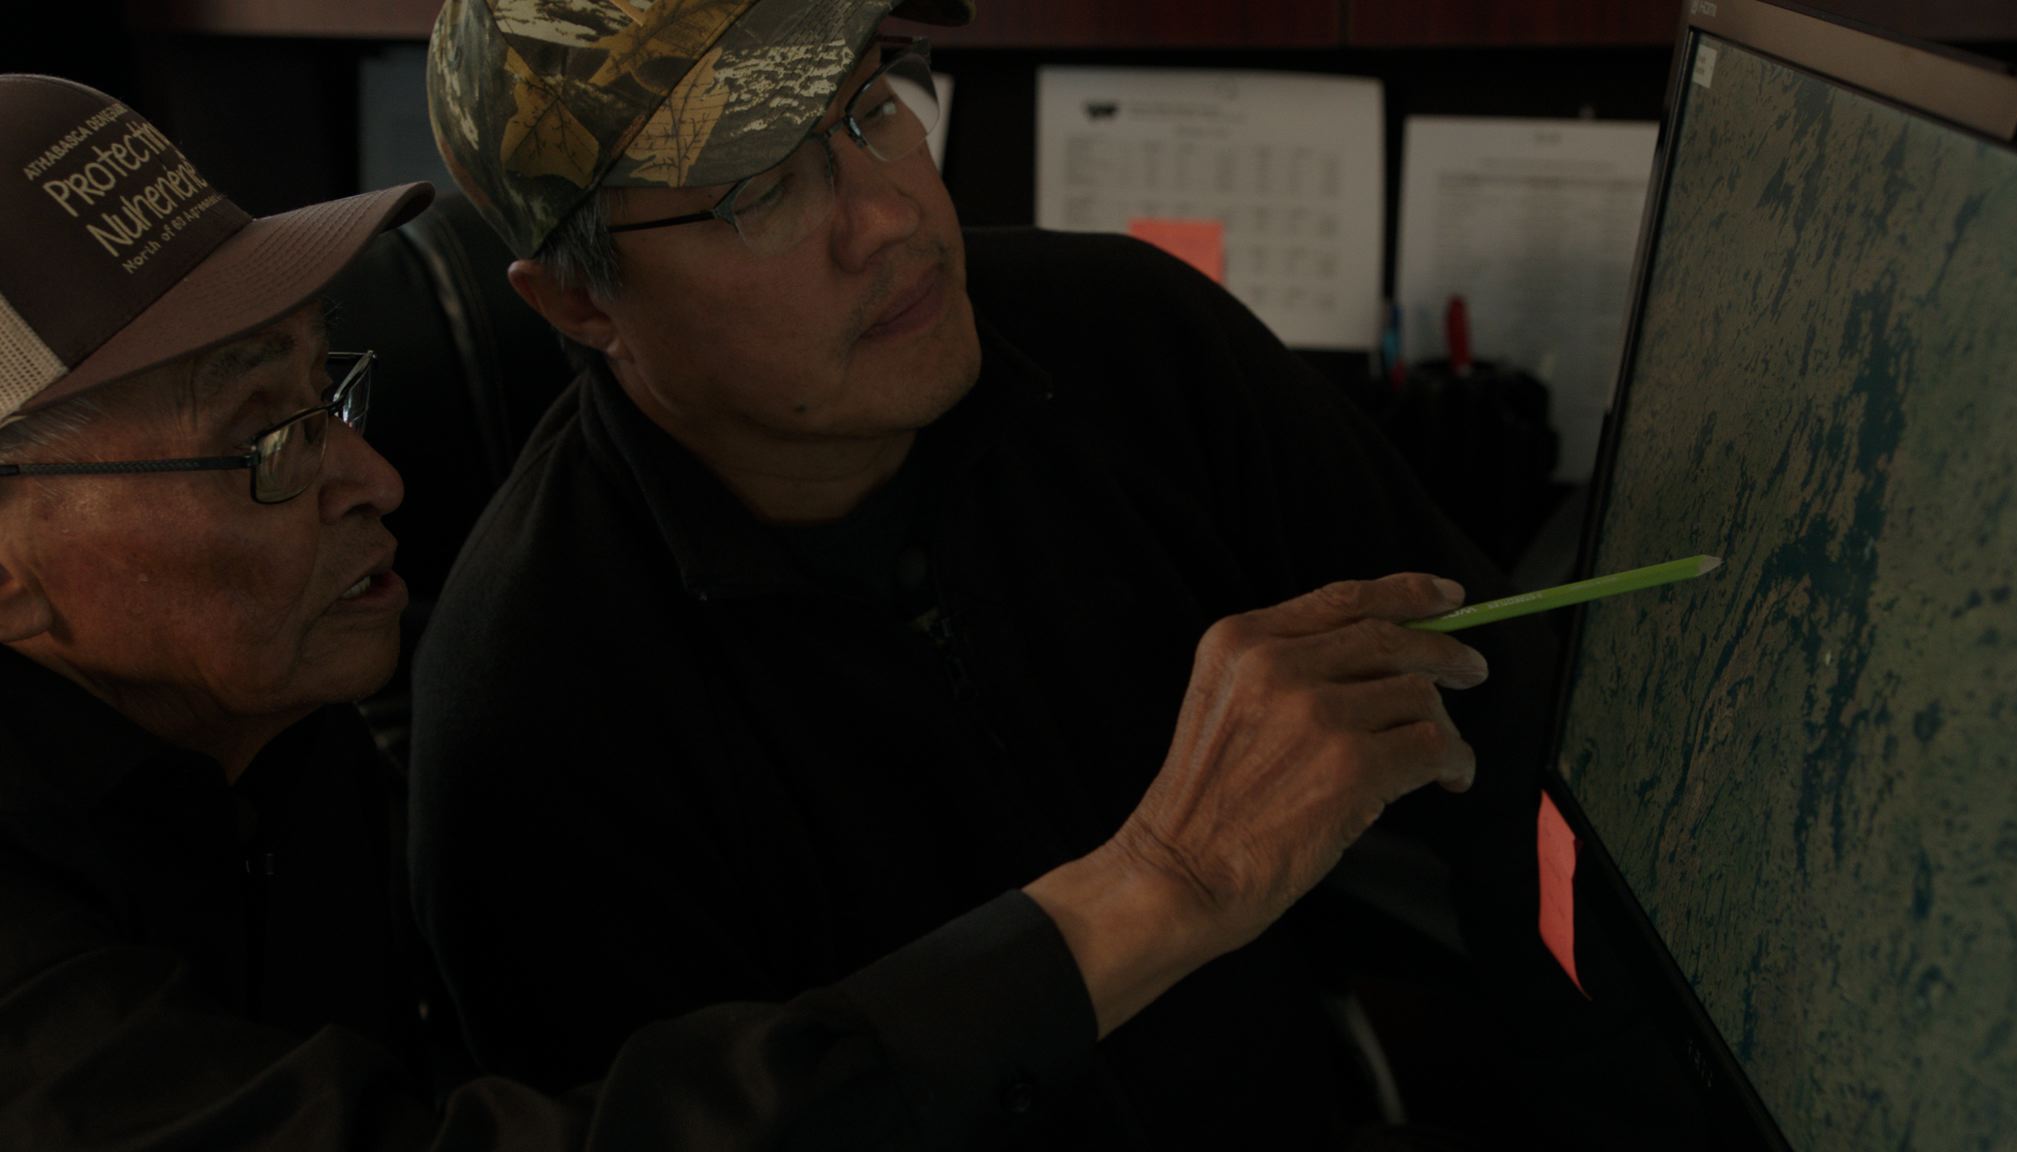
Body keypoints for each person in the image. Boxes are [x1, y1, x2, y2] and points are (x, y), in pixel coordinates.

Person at [0, 72, 1507, 1150]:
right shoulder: (524, 706)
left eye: (331, 389)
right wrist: (1158, 885)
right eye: (266, 442)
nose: (375, 478)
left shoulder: (272, 730)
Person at [412, 0, 1562, 1146]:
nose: (887, 215)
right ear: (576, 300)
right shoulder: (533, 697)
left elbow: (1506, 724)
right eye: (757, 190)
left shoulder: (1132, 338)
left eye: (870, 108)